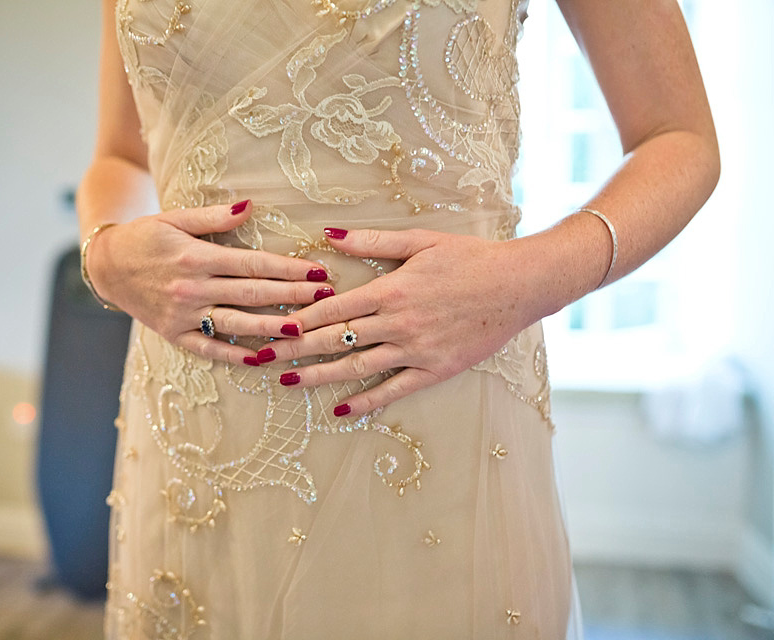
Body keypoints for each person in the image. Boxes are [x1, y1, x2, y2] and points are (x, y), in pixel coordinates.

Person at [78, 0, 718, 637]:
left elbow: (679, 139)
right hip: (197, 408)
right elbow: (122, 157)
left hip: (441, 394)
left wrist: (528, 279)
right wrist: (104, 254)